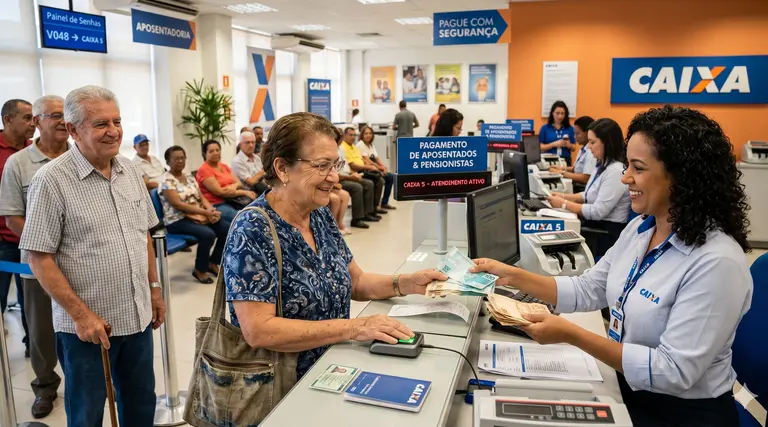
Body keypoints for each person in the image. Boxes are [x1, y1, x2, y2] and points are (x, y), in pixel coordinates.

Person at [472, 105, 752, 427]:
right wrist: (510, 275)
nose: (625, 177)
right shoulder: (641, 228)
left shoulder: (717, 262)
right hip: (627, 387)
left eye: (638, 168)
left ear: (681, 176)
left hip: (679, 413)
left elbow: (673, 371)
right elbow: (589, 287)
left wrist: (570, 334)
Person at [222, 112, 447, 389]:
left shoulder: (319, 214)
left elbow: (356, 281)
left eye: (335, 164)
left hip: (331, 368)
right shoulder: (253, 228)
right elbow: (258, 330)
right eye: (322, 166)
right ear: (282, 168)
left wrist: (406, 282)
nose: (333, 176)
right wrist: (354, 327)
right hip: (281, 386)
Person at [20, 85, 166, 427]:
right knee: (86, 411)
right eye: (101, 124)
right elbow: (39, 258)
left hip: (137, 316)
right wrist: (82, 316)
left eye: (117, 121)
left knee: (140, 401)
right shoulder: (51, 181)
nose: (113, 131)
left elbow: (141, 232)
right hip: (86, 328)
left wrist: (155, 288)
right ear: (73, 130)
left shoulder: (130, 170)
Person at [0, 95, 68, 419]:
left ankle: (85, 381)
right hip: (37, 266)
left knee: (81, 326)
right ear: (37, 122)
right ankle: (45, 386)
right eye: (54, 115)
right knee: (41, 334)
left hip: (81, 264)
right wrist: (46, 245)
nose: (62, 120)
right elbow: (12, 216)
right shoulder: (18, 164)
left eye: (65, 114)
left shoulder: (83, 156)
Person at [547, 118, 631, 258]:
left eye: (592, 142)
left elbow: (598, 212)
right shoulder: (602, 165)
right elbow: (588, 195)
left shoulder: (616, 171)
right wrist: (562, 196)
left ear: (607, 143)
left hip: (604, 236)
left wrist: (563, 204)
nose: (589, 147)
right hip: (595, 227)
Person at [159, 146, 229, 284]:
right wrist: (205, 212)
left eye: (182, 157)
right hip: (177, 220)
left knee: (226, 228)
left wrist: (211, 210)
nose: (180, 161)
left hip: (198, 215)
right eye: (176, 158)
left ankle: (212, 262)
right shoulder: (166, 181)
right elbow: (178, 205)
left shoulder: (189, 176)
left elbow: (201, 196)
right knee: (208, 234)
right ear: (168, 162)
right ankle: (199, 270)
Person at [0, 98, 33, 354]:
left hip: (32, 242)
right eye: (26, 118)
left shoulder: (34, 153)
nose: (33, 123)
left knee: (32, 303)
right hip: (3, 242)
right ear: (8, 119)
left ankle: (33, 347)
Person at [196, 139, 256, 224]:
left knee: (255, 213)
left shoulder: (223, 166)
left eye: (217, 150)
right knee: (243, 220)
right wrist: (244, 192)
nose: (216, 153)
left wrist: (233, 186)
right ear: (205, 154)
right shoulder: (204, 170)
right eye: (211, 151)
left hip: (232, 199)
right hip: (216, 204)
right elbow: (220, 192)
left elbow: (239, 183)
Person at [337, 133, 379, 229]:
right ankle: (357, 219)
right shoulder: (335, 150)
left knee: (368, 183)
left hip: (348, 174)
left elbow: (347, 166)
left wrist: (352, 174)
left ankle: (367, 213)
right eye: (350, 135)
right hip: (340, 179)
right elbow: (336, 173)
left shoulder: (341, 149)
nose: (352, 137)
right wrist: (350, 177)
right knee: (357, 187)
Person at [341, 127, 386, 216]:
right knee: (369, 183)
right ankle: (366, 213)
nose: (353, 137)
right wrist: (370, 167)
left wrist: (374, 166)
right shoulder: (344, 147)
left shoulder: (353, 146)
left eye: (354, 135)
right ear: (344, 135)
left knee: (379, 179)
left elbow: (363, 159)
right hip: (355, 172)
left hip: (360, 170)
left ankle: (374, 208)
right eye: (350, 135)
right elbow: (353, 165)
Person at [550, 116, 597, 188]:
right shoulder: (583, 149)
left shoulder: (591, 152)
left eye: (577, 134)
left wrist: (561, 173)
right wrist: (561, 168)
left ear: (588, 133)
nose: (575, 137)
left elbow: (586, 178)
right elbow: (576, 169)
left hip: (581, 188)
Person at [357, 125, 395, 210]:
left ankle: (384, 203)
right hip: (366, 170)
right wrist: (380, 168)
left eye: (370, 133)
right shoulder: (360, 144)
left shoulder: (371, 145)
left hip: (374, 169)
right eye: (366, 133)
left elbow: (377, 158)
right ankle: (376, 205)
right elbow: (366, 160)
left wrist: (383, 166)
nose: (368, 135)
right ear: (362, 135)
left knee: (390, 177)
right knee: (382, 179)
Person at [231, 131, 269, 196]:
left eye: (253, 142)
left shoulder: (257, 158)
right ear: (240, 145)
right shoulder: (237, 161)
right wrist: (264, 169)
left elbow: (265, 175)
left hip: (263, 189)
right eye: (247, 142)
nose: (251, 145)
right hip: (249, 194)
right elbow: (251, 182)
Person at [539, 100, 577, 165]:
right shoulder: (545, 128)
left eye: (562, 113)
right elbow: (540, 147)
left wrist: (569, 145)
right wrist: (554, 144)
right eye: (557, 113)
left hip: (565, 160)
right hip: (548, 160)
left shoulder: (570, 128)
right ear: (552, 113)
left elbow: (574, 148)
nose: (560, 116)